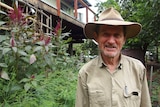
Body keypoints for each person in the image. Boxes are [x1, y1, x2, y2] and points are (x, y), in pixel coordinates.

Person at [75, 7, 151, 107]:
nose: (111, 41)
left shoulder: (138, 69)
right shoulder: (86, 73)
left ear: (124, 39)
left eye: (117, 35)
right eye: (105, 34)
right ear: (96, 37)